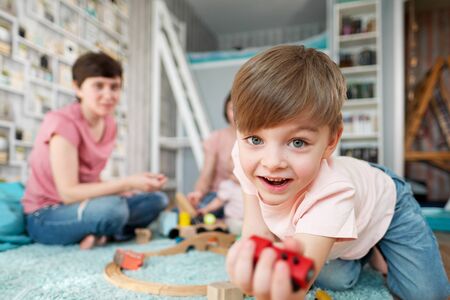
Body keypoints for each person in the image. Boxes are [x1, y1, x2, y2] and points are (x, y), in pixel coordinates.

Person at [225, 45, 449, 300]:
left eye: (297, 142)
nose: (272, 162)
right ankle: (361, 251)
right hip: (340, 215)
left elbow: (294, 288)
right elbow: (258, 231)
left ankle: (371, 242)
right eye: (255, 139)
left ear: (331, 140)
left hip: (385, 202)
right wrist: (252, 266)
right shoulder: (244, 157)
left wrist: (278, 287)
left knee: (429, 295)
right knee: (338, 279)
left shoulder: (332, 193)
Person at [22, 52, 169, 250]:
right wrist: (126, 182)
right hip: (46, 215)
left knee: (156, 200)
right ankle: (107, 232)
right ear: (77, 87)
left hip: (84, 205)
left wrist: (131, 189)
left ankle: (99, 233)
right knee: (114, 210)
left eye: (114, 87)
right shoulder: (62, 123)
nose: (108, 95)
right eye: (98, 86)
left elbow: (89, 178)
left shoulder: (109, 124)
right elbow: (68, 193)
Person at [186, 93, 236, 218]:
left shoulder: (258, 138)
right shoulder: (216, 138)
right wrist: (198, 193)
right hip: (219, 195)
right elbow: (206, 175)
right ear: (226, 110)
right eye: (233, 109)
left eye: (242, 109)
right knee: (198, 212)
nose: (237, 114)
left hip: (246, 196)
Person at [197, 159, 243, 235]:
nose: (231, 176)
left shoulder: (250, 185)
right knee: (237, 227)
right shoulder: (229, 186)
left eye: (234, 173)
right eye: (229, 173)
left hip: (248, 220)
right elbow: (218, 201)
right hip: (233, 219)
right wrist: (206, 209)